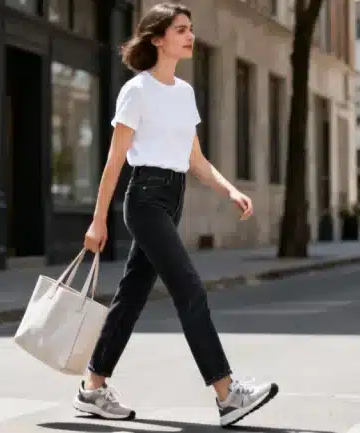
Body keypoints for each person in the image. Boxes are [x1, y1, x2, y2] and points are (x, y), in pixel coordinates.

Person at [73, 2, 278, 428]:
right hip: (145, 200)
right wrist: (98, 220)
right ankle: (226, 394)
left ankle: (93, 387)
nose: (190, 36)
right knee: (190, 290)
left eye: (191, 28)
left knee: (129, 299)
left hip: (171, 199)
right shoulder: (137, 91)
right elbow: (114, 162)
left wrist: (230, 189)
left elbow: (196, 160)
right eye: (181, 29)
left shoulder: (183, 93)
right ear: (157, 38)